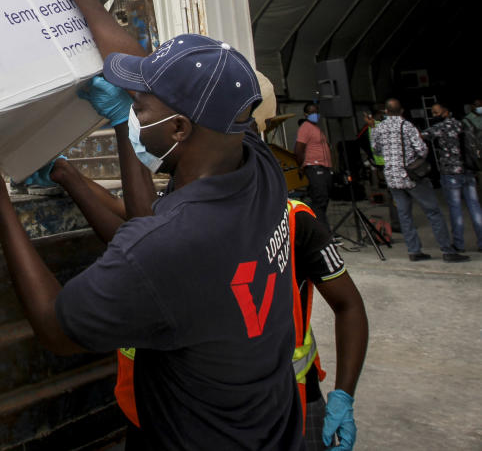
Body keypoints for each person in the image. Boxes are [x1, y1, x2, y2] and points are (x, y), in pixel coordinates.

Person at [0, 0, 303, 450]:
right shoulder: (256, 164)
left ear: (181, 127)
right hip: (266, 425)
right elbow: (147, 69)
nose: (133, 112)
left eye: (140, 106)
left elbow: (57, 330)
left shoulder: (171, 244)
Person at [58, 79, 367, 451]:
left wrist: (343, 395)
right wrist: (69, 176)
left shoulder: (290, 219)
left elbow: (348, 304)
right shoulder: (193, 198)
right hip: (166, 402)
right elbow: (137, 227)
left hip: (271, 405)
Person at [370, 99, 468, 262]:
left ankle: (414, 250)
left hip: (393, 178)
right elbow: (422, 149)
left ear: (386, 111)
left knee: (404, 214)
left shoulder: (379, 128)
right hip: (412, 176)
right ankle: (447, 250)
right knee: (433, 211)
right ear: (401, 111)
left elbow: (376, 149)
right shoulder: (406, 126)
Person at [422, 103, 482, 253]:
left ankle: (459, 244)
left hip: (451, 172)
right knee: (475, 207)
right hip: (468, 170)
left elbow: (420, 136)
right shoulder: (463, 124)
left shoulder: (441, 127)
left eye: (435, 112)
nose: (434, 115)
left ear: (444, 111)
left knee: (456, 209)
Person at [295, 103, 333, 228]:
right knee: (319, 200)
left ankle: (319, 228)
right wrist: (302, 166)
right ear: (306, 115)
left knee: (323, 198)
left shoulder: (316, 128)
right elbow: (299, 149)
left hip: (323, 168)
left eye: (316, 111)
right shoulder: (305, 128)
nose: (315, 115)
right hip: (314, 167)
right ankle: (322, 232)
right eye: (312, 112)